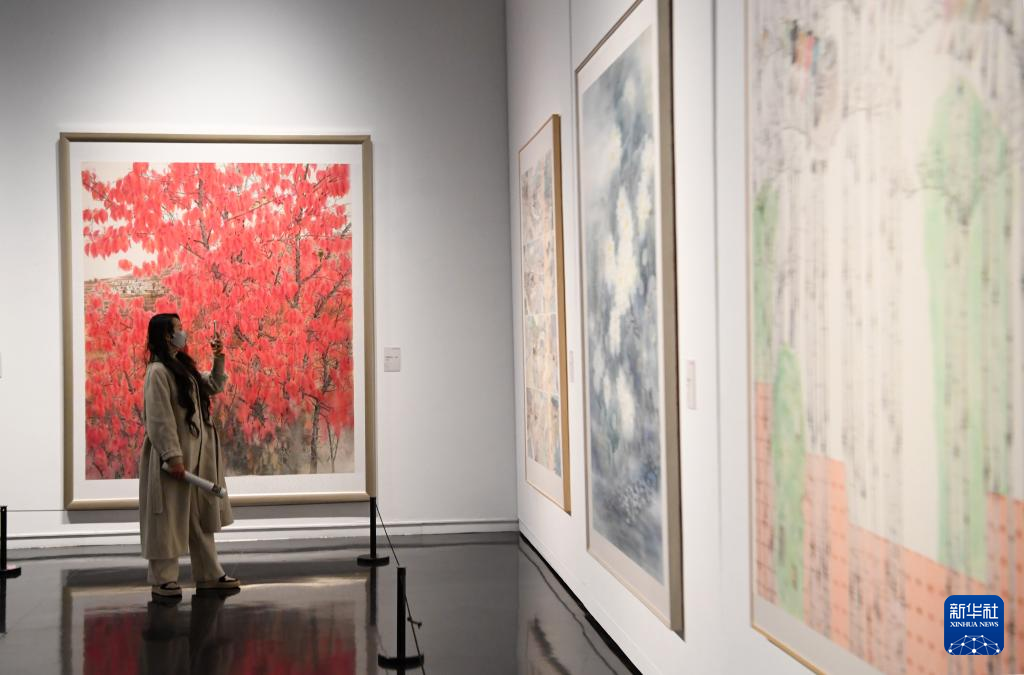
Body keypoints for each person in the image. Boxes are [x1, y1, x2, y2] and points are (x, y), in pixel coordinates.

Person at [139, 312, 239, 599]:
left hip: (195, 457)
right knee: (167, 519)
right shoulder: (158, 371)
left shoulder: (181, 366)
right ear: (166, 335)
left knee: (198, 518)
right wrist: (172, 456)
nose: (183, 333)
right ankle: (163, 579)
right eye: (178, 329)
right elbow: (159, 419)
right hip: (172, 461)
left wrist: (219, 358)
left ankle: (209, 573)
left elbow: (213, 385)